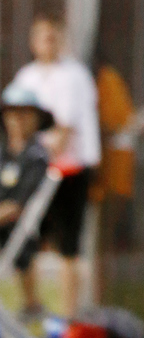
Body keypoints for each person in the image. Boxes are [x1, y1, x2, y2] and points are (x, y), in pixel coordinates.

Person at [10, 16, 101, 319]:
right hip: (38, 172)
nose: (48, 43)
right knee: (25, 241)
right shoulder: (27, 77)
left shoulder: (73, 76)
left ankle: (69, 317)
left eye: (53, 36)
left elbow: (63, 129)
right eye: (42, 37)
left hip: (69, 171)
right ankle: (31, 305)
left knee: (67, 246)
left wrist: (39, 153)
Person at [0, 84, 54, 323]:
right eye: (13, 112)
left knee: (21, 244)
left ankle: (32, 305)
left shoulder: (37, 157)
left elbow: (19, 204)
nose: (18, 119)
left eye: (25, 113)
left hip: (16, 228)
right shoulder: (2, 151)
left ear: (36, 118)